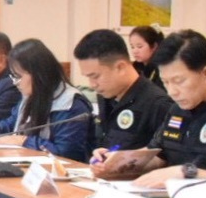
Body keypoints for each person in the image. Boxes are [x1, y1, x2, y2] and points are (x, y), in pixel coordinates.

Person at [96, 30, 206, 186]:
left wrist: (187, 172)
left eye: (178, 81)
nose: (172, 92)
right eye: (165, 82)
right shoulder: (177, 109)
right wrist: (117, 162)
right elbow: (158, 156)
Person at [0, 39, 93, 161]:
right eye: (13, 76)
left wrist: (25, 141)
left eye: (18, 76)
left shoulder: (70, 104)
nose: (15, 83)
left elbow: (67, 153)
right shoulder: (31, 95)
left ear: (38, 73)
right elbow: (12, 123)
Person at [73, 28, 173, 176]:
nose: (92, 85)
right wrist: (101, 156)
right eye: (88, 77)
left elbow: (165, 159)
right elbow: (108, 144)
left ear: (120, 67)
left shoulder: (158, 103)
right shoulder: (106, 95)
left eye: (95, 76)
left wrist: (125, 163)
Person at [128, 25, 164, 91]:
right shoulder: (135, 67)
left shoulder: (161, 69)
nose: (135, 51)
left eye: (139, 46)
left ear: (154, 46)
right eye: (132, 47)